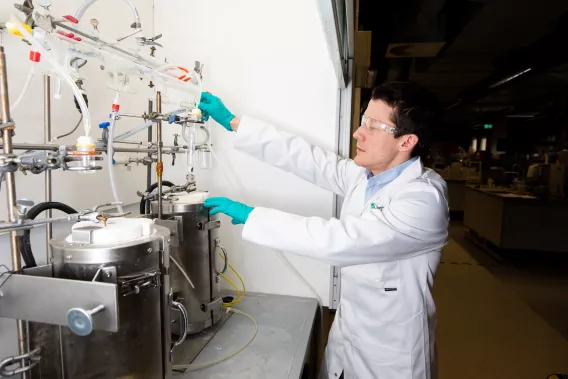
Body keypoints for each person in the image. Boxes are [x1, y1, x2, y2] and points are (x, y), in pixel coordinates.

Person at [199, 82, 449, 379]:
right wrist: (234, 123)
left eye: (373, 125)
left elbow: (340, 240)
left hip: (391, 353)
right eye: (362, 120)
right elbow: (310, 159)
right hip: (349, 336)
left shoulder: (423, 199)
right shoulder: (365, 175)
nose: (359, 132)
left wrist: (254, 217)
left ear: (406, 142)